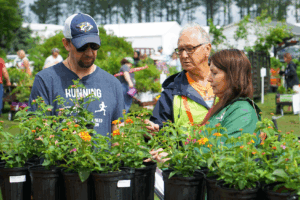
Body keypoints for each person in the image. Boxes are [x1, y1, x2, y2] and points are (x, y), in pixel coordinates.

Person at [28, 13, 124, 137]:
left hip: (102, 157)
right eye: (82, 47)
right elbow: (38, 130)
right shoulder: (46, 80)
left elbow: (118, 132)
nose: (89, 53)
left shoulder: (112, 83)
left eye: (94, 46)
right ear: (66, 44)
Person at [145, 23, 214, 132]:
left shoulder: (226, 82)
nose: (183, 55)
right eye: (180, 50)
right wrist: (154, 131)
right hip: (187, 148)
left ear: (207, 49)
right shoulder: (172, 91)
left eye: (190, 48)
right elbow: (159, 126)